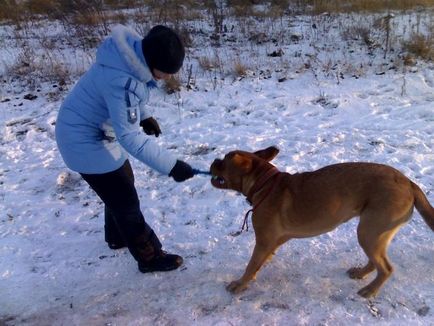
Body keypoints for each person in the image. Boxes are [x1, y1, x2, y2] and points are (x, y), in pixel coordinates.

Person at [55, 24, 194, 273]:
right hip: (84, 141)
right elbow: (130, 137)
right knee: (125, 199)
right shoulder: (122, 82)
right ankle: (149, 258)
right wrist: (172, 166)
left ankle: (117, 236)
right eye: (164, 72)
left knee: (121, 185)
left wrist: (144, 115)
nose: (167, 78)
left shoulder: (125, 60)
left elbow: (130, 98)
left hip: (90, 132)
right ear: (150, 61)